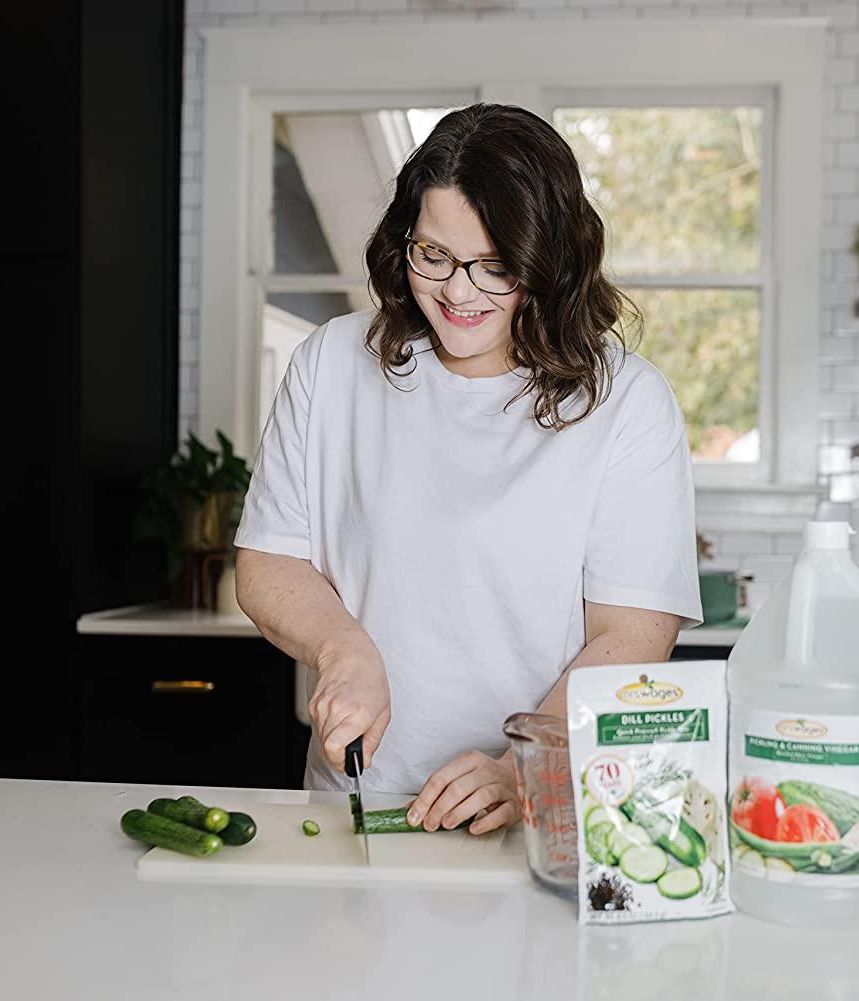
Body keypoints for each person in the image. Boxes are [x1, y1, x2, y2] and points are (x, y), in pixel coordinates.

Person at [234, 103, 701, 836]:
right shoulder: (331, 363)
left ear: (552, 262)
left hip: (528, 815)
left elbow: (633, 632)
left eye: (496, 267)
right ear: (404, 242)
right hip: (357, 800)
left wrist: (526, 764)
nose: (458, 292)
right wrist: (341, 646)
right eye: (434, 256)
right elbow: (268, 561)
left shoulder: (626, 402)